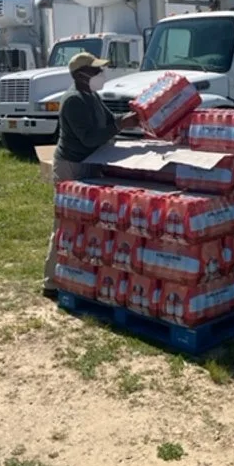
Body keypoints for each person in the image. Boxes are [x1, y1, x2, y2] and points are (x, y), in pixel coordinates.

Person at [42, 51, 138, 298]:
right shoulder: (73, 100)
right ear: (81, 75)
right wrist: (119, 125)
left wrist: (131, 119)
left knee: (88, 223)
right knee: (65, 222)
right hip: (71, 166)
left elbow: (110, 120)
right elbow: (89, 137)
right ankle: (51, 281)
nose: (101, 74)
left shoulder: (92, 96)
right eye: (96, 71)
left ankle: (78, 275)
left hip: (90, 163)